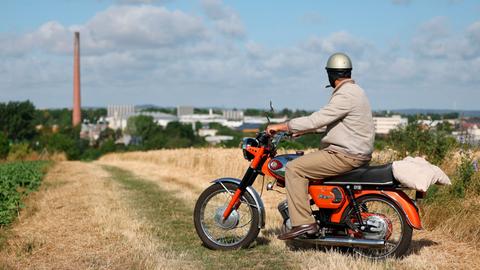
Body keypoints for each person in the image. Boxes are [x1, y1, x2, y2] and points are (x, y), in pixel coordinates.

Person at [266, 52, 375, 240]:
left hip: (345, 154)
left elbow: (317, 119)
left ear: (331, 74)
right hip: (355, 152)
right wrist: (304, 131)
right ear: (348, 72)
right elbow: (338, 124)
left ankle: (304, 223)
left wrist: (283, 126)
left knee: (294, 169)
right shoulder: (356, 91)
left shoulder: (346, 95)